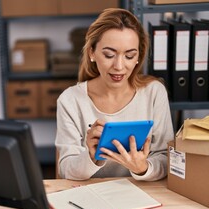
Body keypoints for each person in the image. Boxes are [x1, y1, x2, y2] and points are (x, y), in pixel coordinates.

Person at [55, 8, 174, 181]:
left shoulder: (154, 92)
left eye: (129, 55)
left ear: (138, 57)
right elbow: (65, 170)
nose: (119, 66)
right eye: (109, 55)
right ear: (92, 53)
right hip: (89, 195)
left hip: (143, 194)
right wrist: (91, 156)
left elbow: (167, 158)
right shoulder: (70, 100)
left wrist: (143, 168)